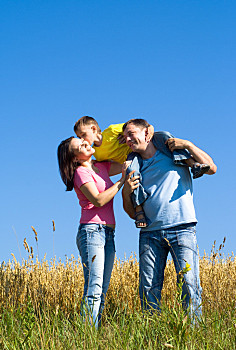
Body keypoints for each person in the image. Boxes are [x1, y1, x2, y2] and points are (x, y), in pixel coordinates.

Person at [121, 118, 217, 318]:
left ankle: (193, 335)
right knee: (148, 289)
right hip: (149, 234)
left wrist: (189, 145)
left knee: (189, 284)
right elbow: (131, 213)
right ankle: (154, 335)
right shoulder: (133, 167)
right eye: (125, 138)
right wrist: (126, 191)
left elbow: (212, 168)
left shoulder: (172, 152)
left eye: (131, 134)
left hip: (182, 227)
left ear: (147, 132)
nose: (128, 140)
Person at [74, 116, 210, 229]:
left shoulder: (110, 131)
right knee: (133, 176)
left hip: (140, 147)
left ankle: (194, 165)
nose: (82, 140)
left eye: (83, 135)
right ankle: (139, 210)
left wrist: (145, 132)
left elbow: (139, 127)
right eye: (79, 137)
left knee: (165, 136)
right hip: (132, 159)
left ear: (93, 129)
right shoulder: (97, 154)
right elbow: (111, 167)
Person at [57, 136, 127, 328]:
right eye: (80, 145)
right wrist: (121, 182)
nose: (85, 143)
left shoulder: (101, 167)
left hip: (109, 233)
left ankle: (92, 336)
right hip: (91, 232)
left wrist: (115, 141)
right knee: (93, 288)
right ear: (75, 158)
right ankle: (87, 335)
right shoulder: (81, 172)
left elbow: (123, 163)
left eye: (82, 140)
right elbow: (98, 200)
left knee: (102, 290)